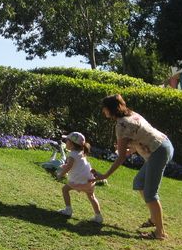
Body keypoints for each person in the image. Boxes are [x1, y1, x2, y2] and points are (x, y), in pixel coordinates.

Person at [91, 94, 174, 240]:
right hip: (164, 145)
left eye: (104, 108)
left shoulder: (122, 125)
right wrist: (132, 150)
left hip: (158, 151)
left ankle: (160, 233)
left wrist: (105, 175)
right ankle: (154, 218)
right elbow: (143, 135)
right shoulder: (131, 114)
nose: (103, 111)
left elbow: (121, 157)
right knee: (139, 183)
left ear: (110, 109)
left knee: (150, 194)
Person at [55, 131, 103, 223]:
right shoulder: (82, 153)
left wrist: (61, 174)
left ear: (72, 144)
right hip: (89, 180)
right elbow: (77, 165)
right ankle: (98, 216)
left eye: (67, 141)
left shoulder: (72, 154)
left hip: (78, 180)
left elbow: (69, 166)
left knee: (65, 190)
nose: (65, 142)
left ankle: (68, 210)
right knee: (91, 196)